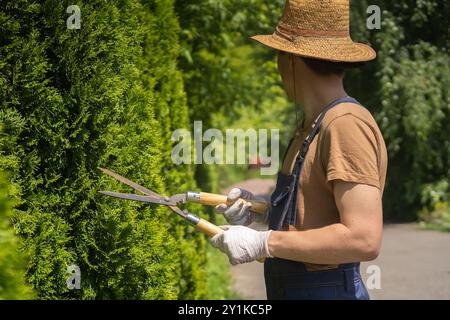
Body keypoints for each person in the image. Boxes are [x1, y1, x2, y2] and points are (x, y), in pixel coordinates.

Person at [211, 0, 388, 300]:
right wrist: (262, 212)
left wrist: (264, 242)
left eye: (278, 52)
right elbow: (313, 215)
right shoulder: (311, 125)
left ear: (290, 58)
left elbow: (363, 239)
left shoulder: (345, 125)